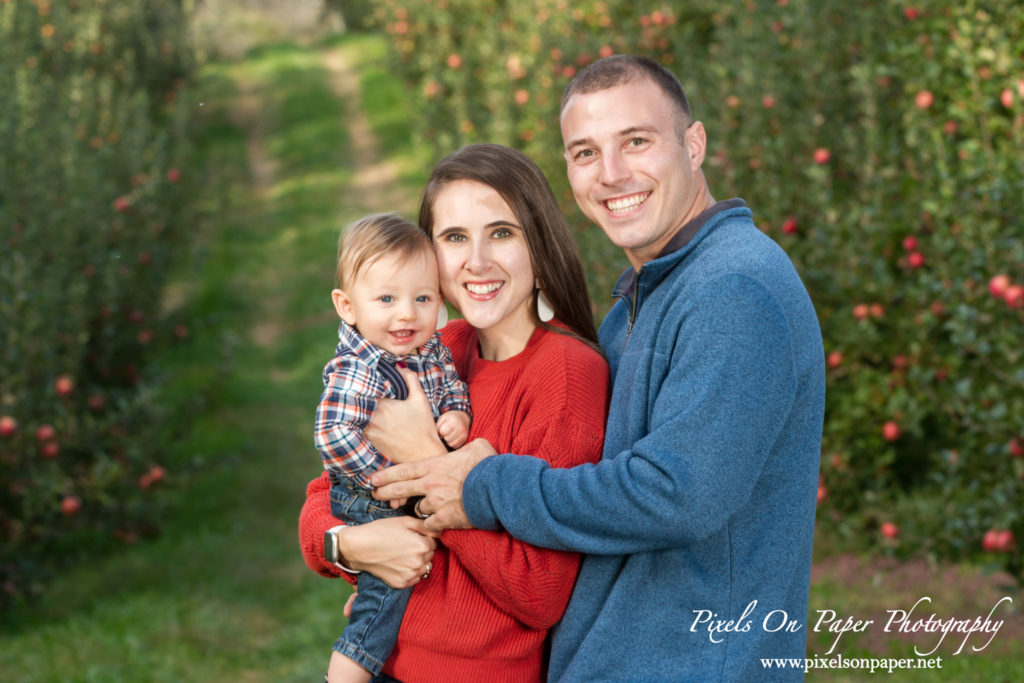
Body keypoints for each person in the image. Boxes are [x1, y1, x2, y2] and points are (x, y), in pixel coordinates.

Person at [368, 55, 826, 681]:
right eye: (585, 153)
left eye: (636, 141)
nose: (612, 174)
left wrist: (484, 487)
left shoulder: (735, 287)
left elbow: (677, 493)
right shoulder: (640, 302)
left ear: (694, 145)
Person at [299, 143, 609, 683]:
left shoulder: (565, 374)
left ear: (539, 243)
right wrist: (348, 545)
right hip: (384, 663)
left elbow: (540, 593)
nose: (478, 261)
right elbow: (321, 502)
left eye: (502, 233)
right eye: (455, 238)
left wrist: (426, 462)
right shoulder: (434, 346)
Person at [314, 213, 473, 681]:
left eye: (422, 299)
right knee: (382, 601)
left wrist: (456, 414)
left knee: (400, 579)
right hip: (369, 495)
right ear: (347, 306)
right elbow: (332, 435)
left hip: (401, 491)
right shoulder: (358, 367)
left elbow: (450, 387)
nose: (406, 313)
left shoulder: (430, 350)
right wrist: (386, 477)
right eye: (386, 299)